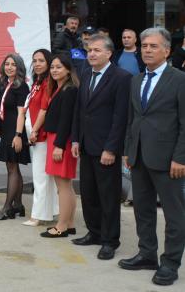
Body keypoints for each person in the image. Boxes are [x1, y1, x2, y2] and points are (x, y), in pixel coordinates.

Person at [119, 27, 185, 286]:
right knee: (143, 209)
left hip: (169, 160)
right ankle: (147, 254)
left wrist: (180, 157)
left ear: (167, 51)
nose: (147, 50)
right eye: (145, 45)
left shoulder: (179, 80)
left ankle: (170, 263)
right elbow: (132, 119)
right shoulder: (136, 80)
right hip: (138, 156)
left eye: (153, 46)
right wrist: (128, 149)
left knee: (174, 214)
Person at [70, 34, 132, 259]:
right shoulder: (86, 73)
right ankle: (94, 232)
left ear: (109, 53)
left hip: (106, 148)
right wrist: (76, 139)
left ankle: (109, 240)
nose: (92, 54)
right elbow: (80, 109)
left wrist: (111, 148)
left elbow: (120, 116)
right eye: (89, 50)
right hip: (86, 144)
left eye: (96, 50)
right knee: (88, 193)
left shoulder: (121, 77)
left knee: (108, 196)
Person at [40, 53, 80, 238]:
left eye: (59, 67)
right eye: (52, 67)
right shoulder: (60, 88)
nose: (54, 70)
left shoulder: (69, 90)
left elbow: (66, 120)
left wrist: (59, 145)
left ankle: (61, 226)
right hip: (57, 139)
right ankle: (69, 224)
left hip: (60, 140)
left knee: (62, 186)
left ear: (68, 70)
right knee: (66, 185)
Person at [24, 49, 59, 227]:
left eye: (41, 61)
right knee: (46, 176)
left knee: (40, 176)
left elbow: (44, 110)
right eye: (34, 60)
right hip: (36, 134)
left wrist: (35, 130)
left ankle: (37, 215)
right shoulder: (37, 82)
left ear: (48, 63)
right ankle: (51, 211)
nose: (37, 64)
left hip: (41, 135)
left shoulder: (47, 83)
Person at [0, 53, 31, 220]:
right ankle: (18, 205)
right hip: (6, 131)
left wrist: (18, 135)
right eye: (7, 64)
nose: (9, 67)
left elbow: (21, 113)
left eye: (13, 64)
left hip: (14, 132)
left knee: (12, 169)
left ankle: (7, 207)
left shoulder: (21, 86)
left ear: (19, 68)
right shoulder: (5, 84)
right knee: (13, 167)